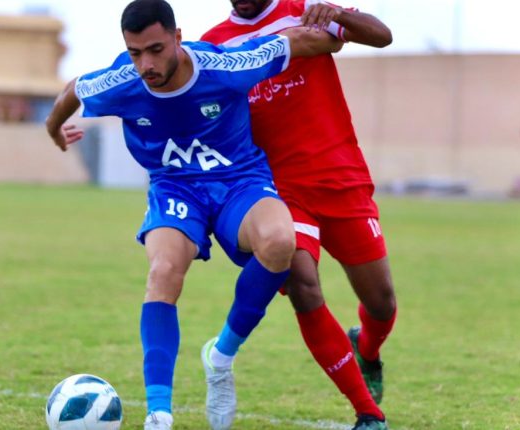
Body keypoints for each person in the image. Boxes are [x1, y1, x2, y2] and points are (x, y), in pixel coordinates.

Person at [44, 1, 341, 428]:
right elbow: (74, 89)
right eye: (135, 53)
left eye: (156, 49)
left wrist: (338, 29)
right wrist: (54, 129)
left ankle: (220, 356)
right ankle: (159, 414)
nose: (146, 64)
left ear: (178, 38)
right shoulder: (123, 81)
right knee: (163, 270)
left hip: (239, 181)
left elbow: (294, 41)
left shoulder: (225, 66)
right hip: (175, 187)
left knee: (280, 242)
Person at [202, 1, 396, 429]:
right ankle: (368, 413)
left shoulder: (304, 11)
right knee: (304, 287)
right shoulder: (214, 45)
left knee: (382, 304)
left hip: (342, 181)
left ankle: (367, 349)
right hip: (278, 191)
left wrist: (339, 16)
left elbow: (382, 37)